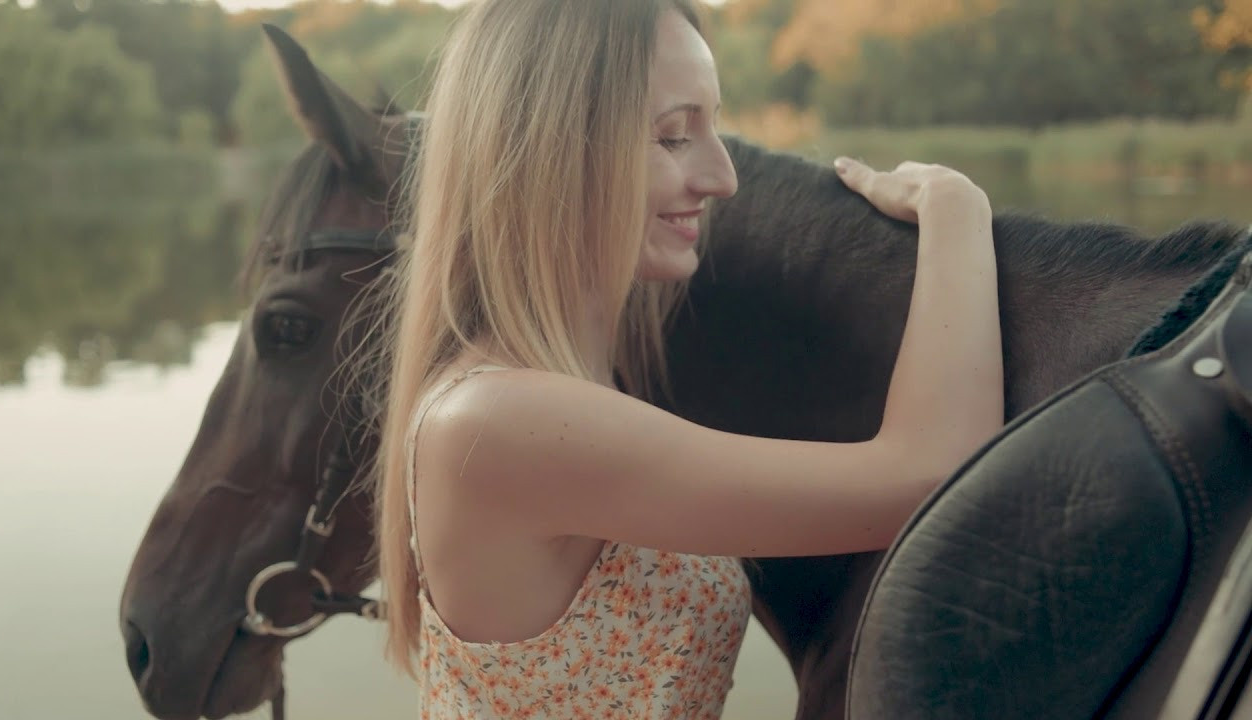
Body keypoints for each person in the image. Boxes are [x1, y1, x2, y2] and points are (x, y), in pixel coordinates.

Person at [372, 0, 1002, 717]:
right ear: (550, 150)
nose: (724, 177)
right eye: (674, 136)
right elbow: (931, 479)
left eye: (713, 125)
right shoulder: (500, 422)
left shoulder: (571, 389)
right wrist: (956, 209)